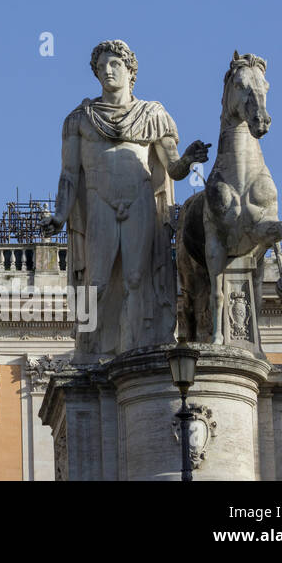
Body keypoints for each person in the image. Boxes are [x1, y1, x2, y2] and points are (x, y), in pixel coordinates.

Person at [39, 40, 208, 358]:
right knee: (97, 282)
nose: (107, 70)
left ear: (131, 71)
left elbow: (173, 168)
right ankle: (87, 351)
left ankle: (135, 351)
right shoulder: (79, 119)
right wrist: (60, 215)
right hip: (100, 202)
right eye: (101, 66)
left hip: (140, 201)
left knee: (136, 278)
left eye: (114, 64)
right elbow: (69, 174)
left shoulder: (153, 114)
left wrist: (188, 158)